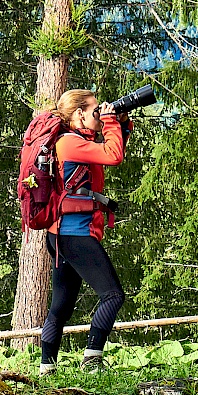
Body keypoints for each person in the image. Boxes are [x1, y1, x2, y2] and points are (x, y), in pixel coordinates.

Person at [39, 89, 132, 375]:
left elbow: (105, 153)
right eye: (94, 110)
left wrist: (122, 123)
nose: (98, 115)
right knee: (113, 295)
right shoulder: (68, 143)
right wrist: (112, 123)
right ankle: (92, 360)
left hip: (63, 234)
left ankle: (46, 368)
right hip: (73, 234)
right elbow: (113, 156)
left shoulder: (76, 142)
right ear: (79, 113)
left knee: (61, 306)